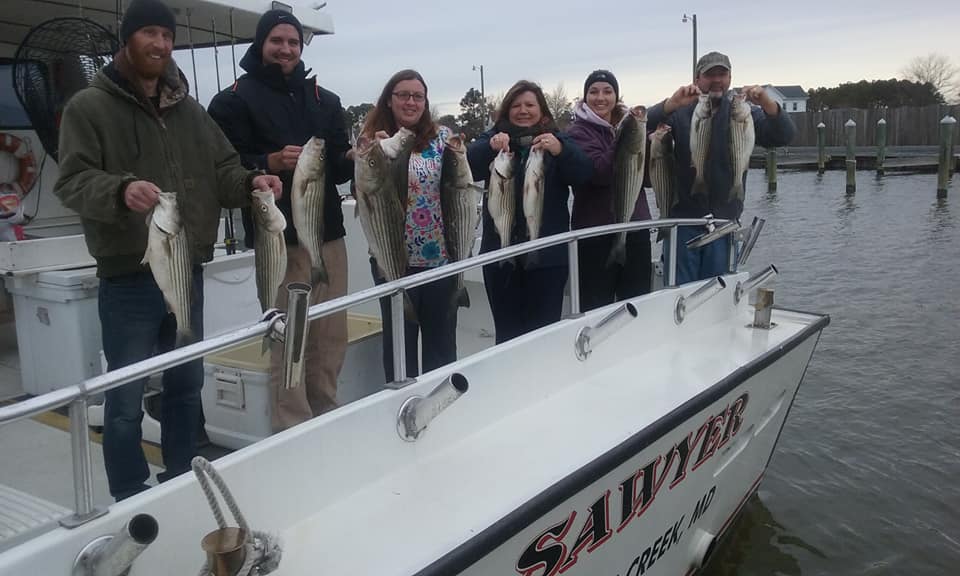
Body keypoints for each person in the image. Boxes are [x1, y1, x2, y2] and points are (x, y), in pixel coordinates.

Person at [53, 0, 281, 501]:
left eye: (167, 35)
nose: (160, 44)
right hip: (127, 278)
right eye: (149, 33)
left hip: (186, 270)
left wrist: (251, 182)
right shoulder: (88, 107)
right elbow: (71, 181)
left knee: (185, 385)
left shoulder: (189, 110)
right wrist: (118, 191)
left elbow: (223, 168)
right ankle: (129, 494)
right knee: (126, 399)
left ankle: (180, 478)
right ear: (127, 38)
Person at [208, 10, 353, 432]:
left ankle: (325, 411)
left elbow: (341, 169)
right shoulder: (232, 99)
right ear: (260, 44)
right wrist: (266, 162)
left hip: (328, 236)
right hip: (278, 239)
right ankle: (291, 424)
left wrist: (358, 157)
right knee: (290, 337)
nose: (286, 48)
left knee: (330, 333)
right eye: (277, 40)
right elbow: (223, 166)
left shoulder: (326, 101)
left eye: (293, 41)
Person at [647, 51, 795, 284]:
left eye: (722, 74)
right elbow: (642, 128)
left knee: (718, 295)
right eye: (709, 75)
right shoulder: (681, 112)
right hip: (683, 223)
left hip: (725, 224)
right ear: (697, 79)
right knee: (678, 294)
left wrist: (767, 103)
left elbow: (784, 135)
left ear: (730, 78)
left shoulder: (743, 112)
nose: (716, 80)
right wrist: (669, 105)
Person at [467, 80, 592, 344]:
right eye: (516, 105)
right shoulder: (493, 138)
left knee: (544, 336)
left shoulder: (559, 140)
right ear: (506, 110)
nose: (523, 110)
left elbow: (583, 174)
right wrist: (489, 146)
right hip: (500, 254)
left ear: (542, 110)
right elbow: (467, 165)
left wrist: (561, 150)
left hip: (548, 258)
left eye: (529, 105)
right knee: (507, 334)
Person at [360, 69, 458, 382]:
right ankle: (402, 406)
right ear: (389, 100)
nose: (411, 102)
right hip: (391, 258)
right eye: (403, 95)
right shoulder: (371, 139)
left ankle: (442, 405)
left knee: (441, 345)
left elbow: (460, 176)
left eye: (418, 96)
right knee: (399, 345)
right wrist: (372, 154)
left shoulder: (442, 137)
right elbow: (361, 189)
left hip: (438, 259)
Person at [567, 70, 652, 311]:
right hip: (595, 233)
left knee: (636, 305)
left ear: (616, 95)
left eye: (607, 91)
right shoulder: (577, 133)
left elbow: (647, 180)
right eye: (593, 92)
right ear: (584, 97)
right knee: (595, 307)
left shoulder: (631, 125)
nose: (600, 97)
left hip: (634, 227)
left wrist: (649, 144)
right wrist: (623, 137)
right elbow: (600, 173)